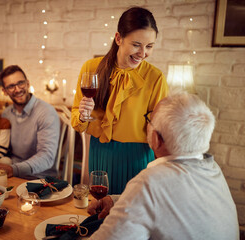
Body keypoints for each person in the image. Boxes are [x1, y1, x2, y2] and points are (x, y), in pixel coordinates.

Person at [87, 91, 239, 240]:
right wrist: (114, 201)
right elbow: (167, 203)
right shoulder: (213, 168)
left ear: (156, 138)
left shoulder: (149, 183)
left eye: (149, 120)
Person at [71, 7, 168, 194]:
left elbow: (160, 129)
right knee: (99, 212)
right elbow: (77, 120)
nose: (142, 53)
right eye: (136, 45)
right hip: (100, 152)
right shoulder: (91, 68)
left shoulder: (155, 78)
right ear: (118, 39)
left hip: (137, 157)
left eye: (149, 46)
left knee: (131, 214)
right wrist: (83, 115)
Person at [0, 65, 60, 179]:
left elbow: (47, 157)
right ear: (4, 91)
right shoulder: (7, 114)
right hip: (11, 174)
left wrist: (14, 169)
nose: (18, 89)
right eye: (11, 86)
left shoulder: (46, 112)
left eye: (21, 83)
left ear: (28, 83)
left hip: (39, 178)